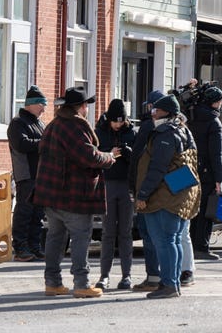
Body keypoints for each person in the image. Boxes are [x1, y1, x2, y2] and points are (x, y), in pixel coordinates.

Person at [33, 87, 118, 298]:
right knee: (81, 238)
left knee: (55, 238)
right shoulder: (74, 127)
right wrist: (108, 157)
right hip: (73, 194)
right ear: (81, 107)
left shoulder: (53, 125)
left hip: (52, 194)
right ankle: (81, 283)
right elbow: (88, 156)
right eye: (86, 105)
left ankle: (52, 282)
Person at [135, 94, 201, 299]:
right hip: (180, 193)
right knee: (173, 240)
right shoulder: (184, 131)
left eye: (156, 110)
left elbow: (157, 168)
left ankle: (169, 284)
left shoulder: (164, 134)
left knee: (164, 241)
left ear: (166, 112)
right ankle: (174, 283)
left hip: (164, 196)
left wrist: (143, 194)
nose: (153, 113)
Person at [94, 99, 136, 291]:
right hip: (107, 184)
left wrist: (128, 153)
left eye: (121, 121)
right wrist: (108, 153)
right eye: (115, 121)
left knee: (126, 233)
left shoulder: (131, 132)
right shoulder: (100, 131)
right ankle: (104, 275)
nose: (119, 124)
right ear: (109, 119)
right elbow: (93, 154)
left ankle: (127, 275)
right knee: (108, 232)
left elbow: (139, 158)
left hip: (126, 185)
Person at [129, 89, 164, 292]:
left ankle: (154, 277)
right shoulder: (180, 128)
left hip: (148, 189)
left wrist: (136, 190)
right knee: (171, 237)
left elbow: (138, 160)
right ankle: (172, 276)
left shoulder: (148, 128)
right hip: (170, 192)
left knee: (150, 235)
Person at [8, 85, 47, 262]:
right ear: (31, 104)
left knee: (38, 213)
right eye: (41, 105)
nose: (43, 109)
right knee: (24, 211)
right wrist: (44, 143)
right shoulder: (18, 122)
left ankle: (34, 245)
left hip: (40, 174)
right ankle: (20, 247)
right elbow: (21, 144)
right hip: (26, 174)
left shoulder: (39, 123)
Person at [189, 85, 222, 260]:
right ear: (215, 103)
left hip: (189, 169)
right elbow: (215, 154)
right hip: (207, 173)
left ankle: (189, 245)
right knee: (207, 210)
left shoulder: (191, 116)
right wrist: (218, 179)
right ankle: (202, 246)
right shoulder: (213, 122)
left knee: (191, 208)